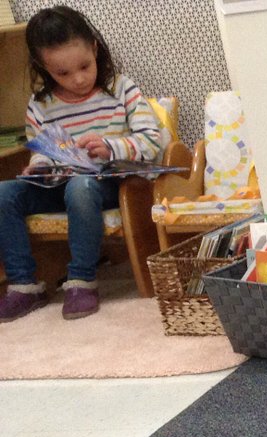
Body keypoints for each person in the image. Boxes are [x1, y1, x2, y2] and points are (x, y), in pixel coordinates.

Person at [0, 5, 161, 322]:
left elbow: (152, 141)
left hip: (109, 185)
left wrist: (111, 147)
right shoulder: (41, 105)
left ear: (95, 49)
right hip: (58, 185)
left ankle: (81, 280)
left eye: (85, 66)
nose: (78, 79)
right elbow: (44, 148)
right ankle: (23, 286)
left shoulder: (121, 89)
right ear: (43, 67)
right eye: (62, 73)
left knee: (80, 186)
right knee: (4, 194)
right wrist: (40, 165)